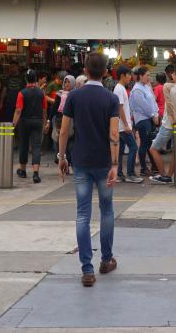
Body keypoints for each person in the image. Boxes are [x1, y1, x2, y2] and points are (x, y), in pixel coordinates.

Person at [57, 51, 120, 287]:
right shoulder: (111, 98)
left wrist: (62, 157)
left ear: (84, 70)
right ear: (106, 72)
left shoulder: (73, 97)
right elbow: (114, 133)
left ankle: (87, 269)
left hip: (80, 161)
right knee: (107, 210)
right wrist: (115, 164)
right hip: (104, 162)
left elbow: (64, 131)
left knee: (83, 214)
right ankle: (106, 259)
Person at [149, 64, 176, 184]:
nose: (171, 75)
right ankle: (169, 175)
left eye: (173, 73)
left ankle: (163, 175)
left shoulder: (168, 87)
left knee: (153, 149)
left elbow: (169, 104)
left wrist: (173, 118)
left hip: (168, 124)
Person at [13, 70, 45, 183]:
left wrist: (13, 124)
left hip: (24, 122)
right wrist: (44, 122)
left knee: (24, 145)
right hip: (37, 121)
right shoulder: (41, 93)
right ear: (36, 79)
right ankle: (36, 173)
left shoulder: (22, 93)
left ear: (26, 79)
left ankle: (22, 170)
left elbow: (18, 110)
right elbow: (44, 109)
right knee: (36, 146)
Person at [113, 66, 141, 183]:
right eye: (128, 75)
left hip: (122, 126)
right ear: (122, 76)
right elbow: (120, 108)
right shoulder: (119, 89)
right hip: (123, 126)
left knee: (120, 151)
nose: (130, 77)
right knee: (133, 147)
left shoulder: (121, 88)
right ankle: (130, 174)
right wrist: (126, 125)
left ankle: (119, 174)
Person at [129, 67, 157, 179]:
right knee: (144, 144)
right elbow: (144, 106)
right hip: (142, 119)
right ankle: (143, 168)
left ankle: (152, 167)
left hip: (149, 118)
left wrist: (156, 113)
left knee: (150, 143)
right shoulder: (137, 90)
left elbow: (153, 101)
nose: (149, 78)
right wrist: (152, 115)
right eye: (147, 75)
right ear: (140, 76)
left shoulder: (146, 87)